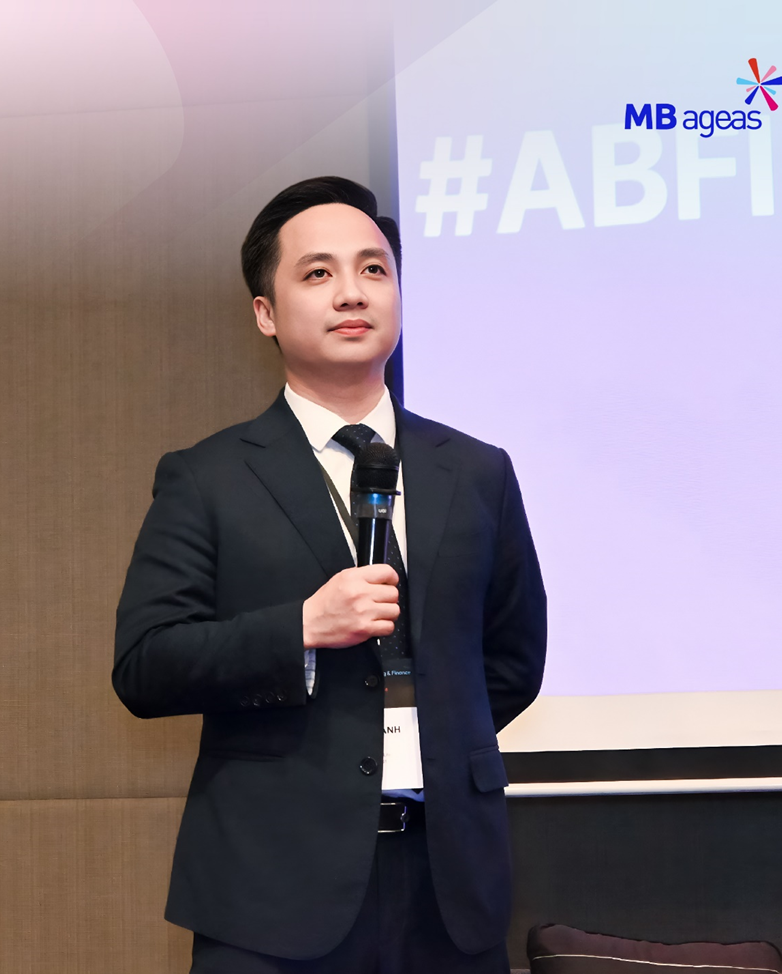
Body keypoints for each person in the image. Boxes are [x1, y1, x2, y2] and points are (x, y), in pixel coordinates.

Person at [113, 176, 547, 973]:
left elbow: (511, 661)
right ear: (265, 313)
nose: (352, 292)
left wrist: (438, 738)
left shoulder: (478, 471)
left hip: (449, 886)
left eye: (373, 269)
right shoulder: (207, 478)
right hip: (271, 890)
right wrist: (301, 630)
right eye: (318, 273)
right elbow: (146, 664)